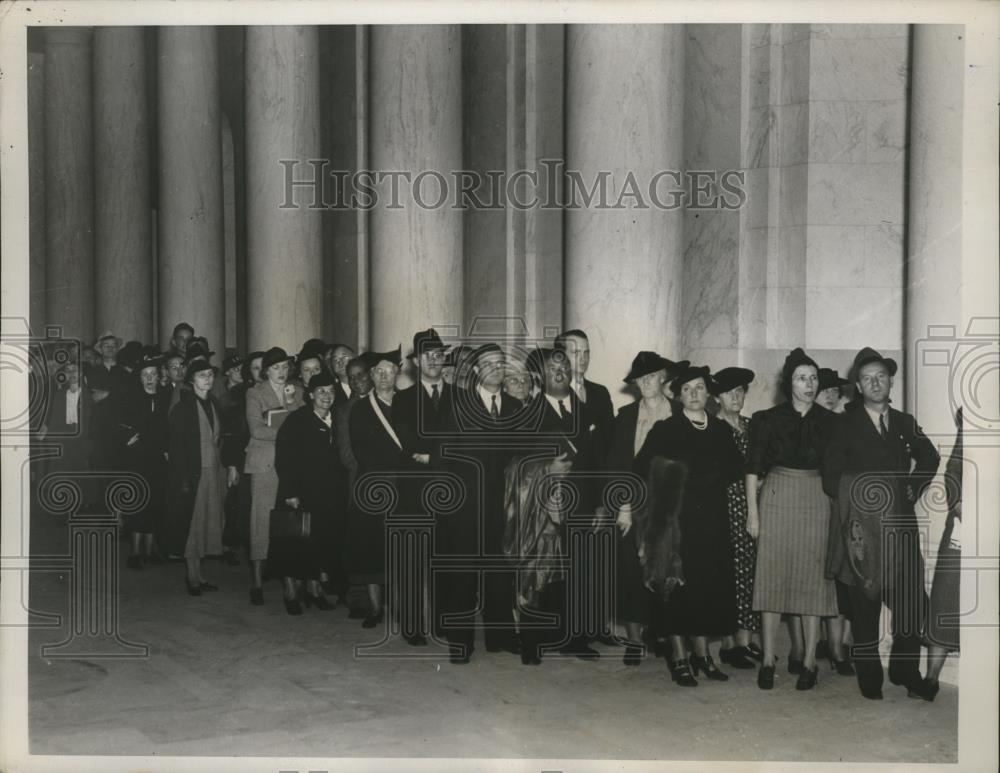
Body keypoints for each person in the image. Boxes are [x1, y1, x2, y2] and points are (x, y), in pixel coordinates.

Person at [822, 347, 940, 701]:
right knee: (865, 603)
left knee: (911, 601)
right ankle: (869, 674)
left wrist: (907, 491)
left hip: (901, 525)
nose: (875, 383)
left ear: (890, 381)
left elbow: (930, 458)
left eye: (881, 376)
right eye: (867, 378)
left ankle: (905, 670)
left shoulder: (904, 422)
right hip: (863, 531)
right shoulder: (844, 423)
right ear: (857, 386)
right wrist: (864, 499)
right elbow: (830, 477)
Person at [634, 365, 743, 687]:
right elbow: (641, 467)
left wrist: (712, 480)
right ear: (678, 396)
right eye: (687, 389)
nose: (694, 394)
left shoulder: (721, 430)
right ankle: (680, 658)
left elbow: (736, 467)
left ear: (708, 394)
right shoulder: (667, 429)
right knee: (677, 589)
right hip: (676, 522)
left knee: (706, 589)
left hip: (712, 521)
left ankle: (703, 654)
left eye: (699, 388)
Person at [745, 348, 839, 691]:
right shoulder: (766, 419)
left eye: (814, 378)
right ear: (789, 383)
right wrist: (753, 514)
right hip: (776, 496)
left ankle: (811, 661)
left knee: (813, 583)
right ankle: (769, 659)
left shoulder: (831, 422)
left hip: (816, 499)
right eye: (802, 378)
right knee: (771, 580)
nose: (809, 384)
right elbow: (753, 468)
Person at [433, 342, 524, 663]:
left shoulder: (515, 407)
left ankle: (500, 636)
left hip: (502, 508)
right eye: (488, 364)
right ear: (475, 371)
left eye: (500, 363)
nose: (495, 369)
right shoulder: (456, 405)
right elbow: (442, 458)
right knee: (462, 576)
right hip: (464, 508)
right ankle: (461, 642)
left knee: (500, 574)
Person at [606, 351, 685, 665]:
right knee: (630, 568)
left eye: (652, 376)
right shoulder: (625, 416)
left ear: (663, 377)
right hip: (634, 502)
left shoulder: (679, 412)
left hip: (672, 503)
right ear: (635, 383)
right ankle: (635, 640)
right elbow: (617, 465)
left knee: (668, 567)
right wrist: (623, 507)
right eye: (641, 378)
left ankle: (664, 633)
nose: (647, 382)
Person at [393, 328, 457, 645]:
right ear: (416, 361)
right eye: (428, 356)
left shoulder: (461, 397)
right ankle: (413, 625)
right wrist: (439, 453)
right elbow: (408, 443)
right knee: (414, 559)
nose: (434, 361)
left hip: (451, 492)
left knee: (446, 557)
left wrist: (431, 454)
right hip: (414, 492)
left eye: (439, 355)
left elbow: (464, 443)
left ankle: (443, 620)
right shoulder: (403, 400)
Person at [348, 348, 409, 629]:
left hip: (405, 487)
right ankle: (375, 607)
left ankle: (400, 605)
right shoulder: (361, 409)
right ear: (372, 375)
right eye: (379, 372)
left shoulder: (409, 403)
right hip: (373, 485)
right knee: (371, 548)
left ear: (399, 372)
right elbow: (362, 451)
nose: (385, 377)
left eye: (390, 371)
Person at [272, 372, 341, 615]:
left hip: (327, 494)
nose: (326, 396)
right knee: (293, 544)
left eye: (331, 391)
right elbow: (284, 458)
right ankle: (290, 592)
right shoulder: (298, 420)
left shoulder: (337, 420)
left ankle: (314, 590)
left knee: (319, 543)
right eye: (320, 391)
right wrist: (291, 492)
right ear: (310, 394)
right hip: (300, 492)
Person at [244, 347, 306, 605]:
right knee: (261, 521)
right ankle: (257, 582)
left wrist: (291, 403)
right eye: (275, 368)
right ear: (266, 370)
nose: (281, 372)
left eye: (284, 367)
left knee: (290, 522)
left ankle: (290, 582)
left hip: (291, 464)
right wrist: (288, 434)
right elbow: (256, 429)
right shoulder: (254, 393)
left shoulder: (298, 391)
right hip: (264, 464)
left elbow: (305, 421)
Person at [710, 366, 762, 669]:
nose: (736, 396)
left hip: (751, 506)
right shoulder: (713, 426)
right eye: (730, 392)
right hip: (723, 507)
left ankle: (745, 639)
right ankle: (729, 644)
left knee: (751, 572)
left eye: (741, 391)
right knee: (728, 574)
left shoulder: (750, 425)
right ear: (717, 397)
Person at [164, 357, 225, 596]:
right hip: (193, 474)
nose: (207, 379)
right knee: (193, 525)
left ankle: (200, 575)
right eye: (202, 375)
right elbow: (177, 448)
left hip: (212, 472)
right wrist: (184, 480)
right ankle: (192, 577)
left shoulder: (214, 403)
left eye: (210, 375)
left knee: (207, 523)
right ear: (191, 380)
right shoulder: (183, 408)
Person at [814, 366, 855, 672]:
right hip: (809, 504)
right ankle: (813, 643)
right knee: (814, 576)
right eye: (824, 390)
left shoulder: (844, 423)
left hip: (838, 504)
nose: (829, 396)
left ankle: (837, 645)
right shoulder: (807, 423)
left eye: (834, 391)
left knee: (839, 574)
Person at [118, 347, 171, 568]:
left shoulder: (165, 398)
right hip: (137, 457)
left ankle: (150, 550)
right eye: (145, 375)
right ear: (139, 378)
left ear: (159, 377)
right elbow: (119, 424)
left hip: (158, 457)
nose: (149, 378)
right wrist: (127, 437)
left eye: (153, 374)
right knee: (138, 502)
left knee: (155, 501)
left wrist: (168, 448)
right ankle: (136, 552)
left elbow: (169, 426)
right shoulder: (131, 398)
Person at [923, 407, 963, 701]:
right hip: (965, 524)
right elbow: (953, 472)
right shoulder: (972, 427)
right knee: (945, 597)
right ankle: (932, 677)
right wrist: (960, 505)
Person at [335, 354, 376, 618]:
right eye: (351, 378)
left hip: (390, 481)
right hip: (359, 481)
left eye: (361, 375)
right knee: (360, 541)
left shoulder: (390, 400)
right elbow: (345, 452)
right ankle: (359, 598)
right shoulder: (345, 410)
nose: (357, 381)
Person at [218, 354, 247, 567]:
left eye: (242, 368)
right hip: (224, 451)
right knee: (226, 499)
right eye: (235, 368)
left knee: (236, 500)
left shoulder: (247, 391)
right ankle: (224, 544)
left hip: (239, 451)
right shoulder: (221, 393)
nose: (240, 371)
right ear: (227, 371)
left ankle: (233, 542)